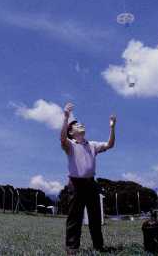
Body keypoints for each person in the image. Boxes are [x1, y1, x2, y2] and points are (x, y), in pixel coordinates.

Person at [60, 103, 116, 254]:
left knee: (95, 217)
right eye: (76, 125)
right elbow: (62, 139)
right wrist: (66, 118)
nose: (80, 125)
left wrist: (112, 127)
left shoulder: (92, 145)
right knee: (75, 217)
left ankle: (99, 246)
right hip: (76, 184)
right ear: (71, 133)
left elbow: (110, 145)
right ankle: (72, 248)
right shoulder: (70, 145)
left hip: (91, 184)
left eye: (80, 124)